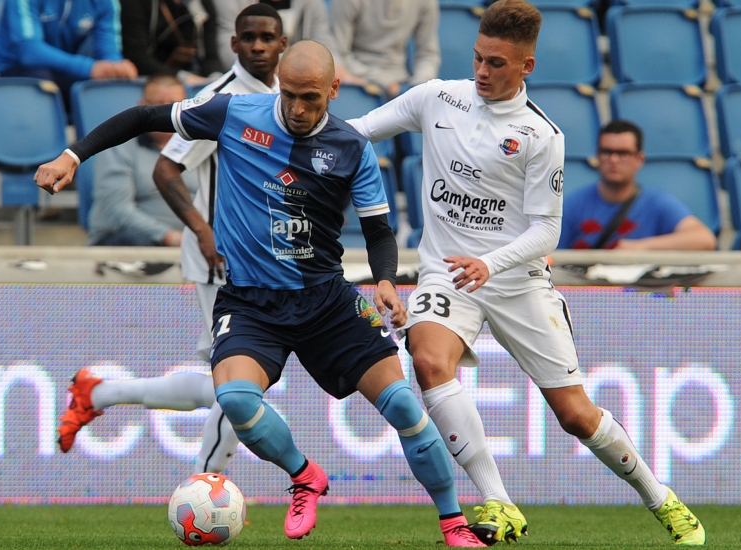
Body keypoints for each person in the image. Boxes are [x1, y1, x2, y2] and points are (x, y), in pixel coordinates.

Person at [36, 40, 485, 547]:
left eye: (310, 98)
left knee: (404, 405)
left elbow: (379, 232)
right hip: (249, 301)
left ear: (334, 89)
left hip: (327, 300)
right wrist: (72, 155)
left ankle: (454, 523)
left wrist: (385, 279)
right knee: (235, 398)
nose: (296, 109)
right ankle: (303, 475)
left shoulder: (352, 148)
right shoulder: (233, 111)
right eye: (289, 95)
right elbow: (144, 116)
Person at [348, 0, 705, 545]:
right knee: (427, 360)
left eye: (496, 63)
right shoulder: (436, 98)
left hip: (515, 282)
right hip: (447, 274)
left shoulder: (542, 136)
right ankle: (498, 499)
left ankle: (662, 498)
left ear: (526, 67)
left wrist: (489, 262)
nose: (483, 72)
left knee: (576, 416)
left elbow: (546, 232)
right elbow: (356, 132)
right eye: (478, 59)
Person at [56, 4, 289, 477]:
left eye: (268, 37)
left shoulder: (290, 95)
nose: (259, 46)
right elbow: (167, 169)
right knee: (238, 386)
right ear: (233, 44)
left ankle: (98, 393)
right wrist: (203, 232)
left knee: (231, 385)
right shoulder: (219, 99)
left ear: (283, 43)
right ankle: (207, 487)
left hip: (267, 261)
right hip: (220, 258)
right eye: (249, 38)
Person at [558, 120, 717, 251]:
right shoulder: (574, 205)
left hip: (639, 289)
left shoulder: (656, 203)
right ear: (597, 156)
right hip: (586, 288)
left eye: (623, 153)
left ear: (640, 159)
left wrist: (640, 247)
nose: (614, 160)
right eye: (607, 152)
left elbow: (704, 239)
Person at [85, 75, 197, 247]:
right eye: (158, 104)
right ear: (142, 106)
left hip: (193, 240)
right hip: (130, 238)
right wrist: (170, 237)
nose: (165, 111)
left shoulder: (201, 146)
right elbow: (117, 210)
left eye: (174, 105)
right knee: (136, 240)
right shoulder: (118, 145)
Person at [0, 0, 138, 96]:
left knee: (114, 86)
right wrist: (89, 68)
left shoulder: (108, 2)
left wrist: (116, 69)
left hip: (63, 71)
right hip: (8, 69)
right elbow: (29, 52)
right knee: (43, 81)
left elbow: (109, 52)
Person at [330, 0, 440, 99]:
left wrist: (419, 89)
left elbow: (428, 54)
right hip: (356, 84)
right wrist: (385, 82)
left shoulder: (426, 2)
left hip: (401, 85)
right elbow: (338, 54)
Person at [119, 0, 223, 87]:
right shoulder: (135, 3)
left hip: (191, 78)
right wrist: (182, 77)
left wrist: (217, 80)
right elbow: (136, 55)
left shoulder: (202, 3)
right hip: (148, 80)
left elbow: (210, 55)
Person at [213, 0, 333, 71]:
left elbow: (323, 39)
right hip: (244, 74)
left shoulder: (312, 3)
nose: (258, 47)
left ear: (283, 43)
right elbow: (226, 45)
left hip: (300, 73)